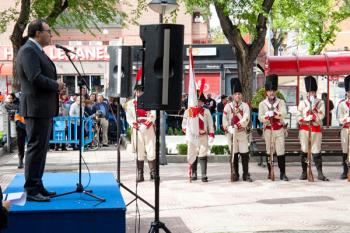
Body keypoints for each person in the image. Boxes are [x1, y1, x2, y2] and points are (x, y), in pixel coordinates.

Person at [16, 19, 65, 202]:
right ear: (37, 33)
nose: (51, 34)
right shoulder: (29, 50)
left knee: (42, 148)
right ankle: (30, 188)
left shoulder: (37, 50)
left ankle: (37, 183)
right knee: (35, 148)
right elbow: (34, 77)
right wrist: (56, 85)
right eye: (48, 31)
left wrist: (56, 87)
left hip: (42, 108)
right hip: (35, 108)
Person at [297, 76, 328, 181]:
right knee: (304, 151)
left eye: (313, 92)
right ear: (307, 93)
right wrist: (306, 117)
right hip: (305, 129)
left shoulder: (320, 103)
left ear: (316, 92)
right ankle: (304, 172)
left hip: (315, 129)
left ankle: (320, 173)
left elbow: (322, 115)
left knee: (316, 151)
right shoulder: (302, 103)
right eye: (310, 92)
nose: (312, 94)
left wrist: (314, 113)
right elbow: (298, 116)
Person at [258, 74, 289, 181]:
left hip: (279, 129)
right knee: (269, 151)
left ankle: (282, 173)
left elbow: (284, 113)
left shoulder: (280, 102)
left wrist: (275, 113)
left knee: (281, 151)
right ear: (266, 92)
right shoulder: (262, 104)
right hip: (268, 130)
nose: (271, 92)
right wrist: (267, 116)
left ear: (276, 91)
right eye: (269, 90)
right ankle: (270, 172)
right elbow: (260, 117)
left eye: (273, 90)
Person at [124, 86, 156, 182]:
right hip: (137, 129)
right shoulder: (130, 104)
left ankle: (153, 173)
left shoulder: (150, 101)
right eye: (137, 91)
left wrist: (146, 125)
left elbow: (153, 114)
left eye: (141, 91)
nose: (139, 93)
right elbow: (129, 118)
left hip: (148, 128)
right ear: (134, 92)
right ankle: (140, 174)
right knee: (139, 151)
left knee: (151, 150)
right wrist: (137, 126)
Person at [222, 78, 252, 182]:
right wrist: (228, 128)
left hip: (241, 132)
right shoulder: (227, 106)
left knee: (244, 153)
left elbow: (246, 118)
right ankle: (234, 173)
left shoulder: (245, 106)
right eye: (236, 94)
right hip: (231, 134)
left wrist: (237, 125)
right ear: (233, 95)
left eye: (239, 94)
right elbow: (224, 120)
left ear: (242, 95)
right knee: (234, 154)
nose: (238, 96)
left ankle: (245, 174)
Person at [182, 92, 214, 182]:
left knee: (203, 154)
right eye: (197, 101)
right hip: (193, 137)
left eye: (200, 101)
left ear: (203, 102)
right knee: (193, 154)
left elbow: (210, 124)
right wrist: (191, 132)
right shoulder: (188, 111)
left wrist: (211, 134)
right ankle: (194, 173)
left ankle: (204, 174)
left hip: (203, 136)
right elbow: (184, 126)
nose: (198, 103)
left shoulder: (206, 111)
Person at [336, 75, 350, 179]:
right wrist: (346, 119)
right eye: (349, 91)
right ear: (346, 92)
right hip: (345, 129)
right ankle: (345, 171)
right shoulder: (341, 104)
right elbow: (339, 118)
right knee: (345, 150)